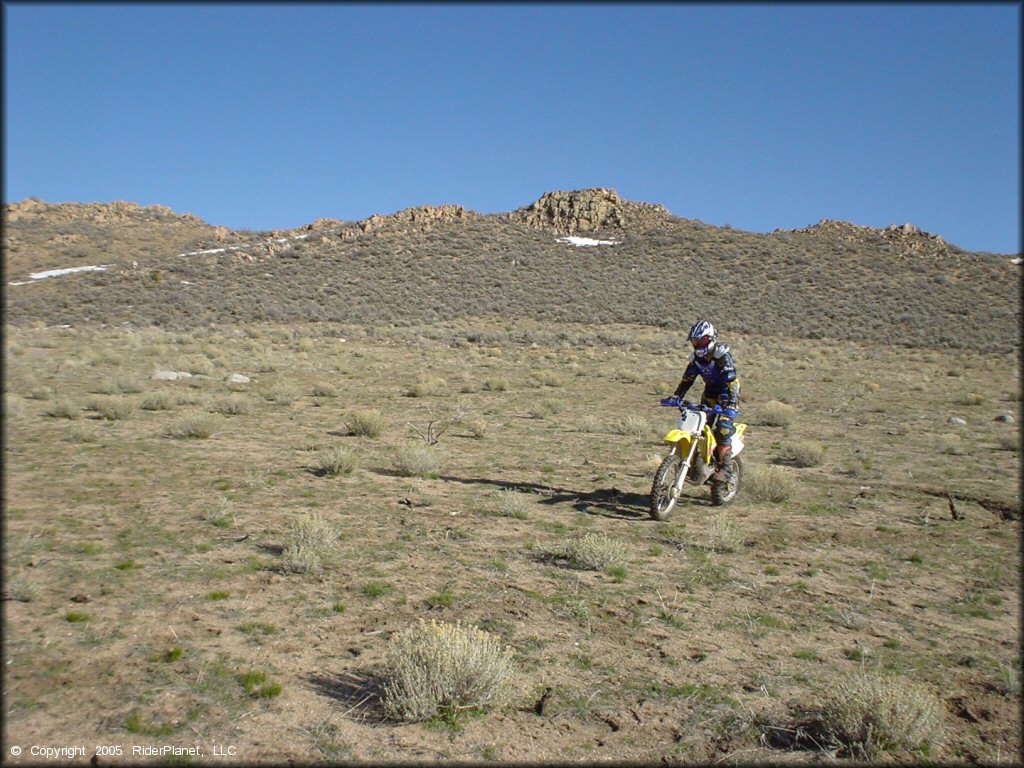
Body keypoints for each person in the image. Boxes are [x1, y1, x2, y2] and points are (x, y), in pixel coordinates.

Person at [667, 320, 740, 481]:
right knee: (698, 428)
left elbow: (731, 381)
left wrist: (732, 402)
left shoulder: (722, 356)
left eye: (702, 341)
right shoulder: (697, 360)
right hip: (709, 394)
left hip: (727, 395)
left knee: (723, 428)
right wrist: (676, 396)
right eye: (695, 341)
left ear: (711, 338)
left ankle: (727, 470)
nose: (698, 345)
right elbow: (687, 379)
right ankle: (698, 464)